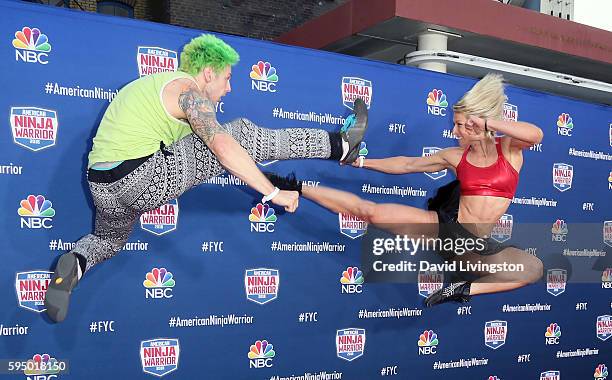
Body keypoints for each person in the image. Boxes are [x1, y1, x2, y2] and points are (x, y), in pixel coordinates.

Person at [44, 34, 368, 322]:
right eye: (227, 78)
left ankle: (75, 262)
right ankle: (341, 144)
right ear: (208, 73)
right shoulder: (187, 90)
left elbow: (223, 163)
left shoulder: (156, 92)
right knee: (238, 135)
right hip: (140, 177)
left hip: (102, 187)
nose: (229, 87)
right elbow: (225, 149)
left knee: (108, 240)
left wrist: (274, 181)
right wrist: (273, 194)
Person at [265, 74, 544, 306]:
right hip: (445, 230)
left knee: (533, 269)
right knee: (369, 212)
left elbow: (536, 134)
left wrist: (489, 123)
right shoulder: (455, 157)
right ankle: (293, 186)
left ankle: (464, 289)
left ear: (476, 123)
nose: (455, 131)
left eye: (459, 125)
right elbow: (407, 164)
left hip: (474, 246)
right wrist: (361, 161)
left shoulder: (509, 150)